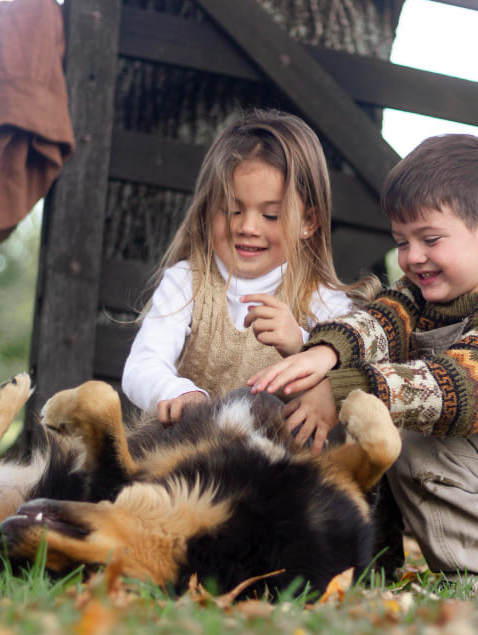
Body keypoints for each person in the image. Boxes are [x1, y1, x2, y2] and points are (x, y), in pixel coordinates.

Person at [248, 134, 478, 581]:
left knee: (409, 436)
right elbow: (379, 323)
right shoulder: (419, 296)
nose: (412, 257)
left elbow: (458, 388)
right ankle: (368, 567)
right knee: (377, 426)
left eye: (430, 239)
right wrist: (325, 355)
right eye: (401, 242)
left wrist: (342, 390)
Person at [122, 109, 368, 441]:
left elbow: (354, 379)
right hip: (190, 455)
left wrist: (301, 347)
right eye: (231, 210)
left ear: (308, 222)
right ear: (209, 207)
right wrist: (173, 390)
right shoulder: (187, 282)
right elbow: (142, 364)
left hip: (274, 466)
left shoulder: (321, 299)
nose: (247, 227)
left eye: (271, 215)